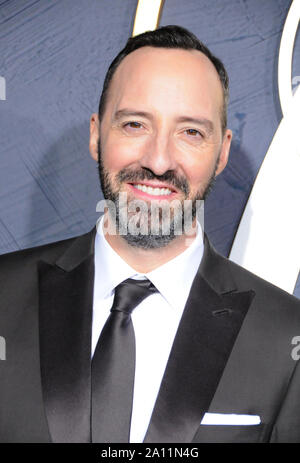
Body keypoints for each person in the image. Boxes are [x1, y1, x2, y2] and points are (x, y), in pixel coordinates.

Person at [0, 25, 300, 444]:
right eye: (135, 124)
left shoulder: (288, 337)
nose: (158, 161)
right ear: (96, 133)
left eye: (190, 132)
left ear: (222, 152)